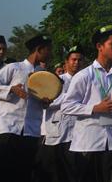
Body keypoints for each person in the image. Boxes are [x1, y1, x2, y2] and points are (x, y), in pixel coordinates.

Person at [62, 25, 112, 182]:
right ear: (99, 47)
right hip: (89, 143)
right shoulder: (84, 76)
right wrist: (95, 108)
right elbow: (67, 105)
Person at [0, 33, 53, 182]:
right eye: (48, 50)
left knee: (23, 174)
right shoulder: (14, 68)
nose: (50, 54)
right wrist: (11, 89)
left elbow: (43, 101)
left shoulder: (43, 75)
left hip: (30, 132)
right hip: (8, 129)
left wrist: (45, 102)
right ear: (39, 49)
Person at [35, 44, 84, 182]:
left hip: (78, 133)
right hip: (58, 132)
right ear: (66, 62)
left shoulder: (85, 79)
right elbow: (47, 102)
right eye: (73, 59)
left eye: (80, 60)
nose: (77, 63)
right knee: (56, 172)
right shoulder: (56, 81)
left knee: (76, 172)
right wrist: (70, 99)